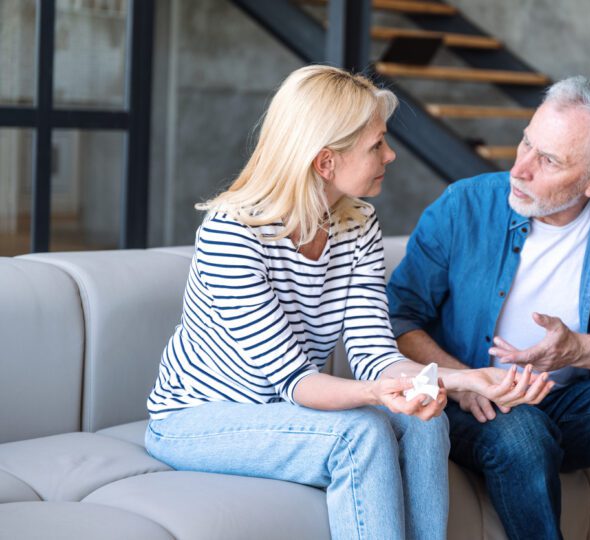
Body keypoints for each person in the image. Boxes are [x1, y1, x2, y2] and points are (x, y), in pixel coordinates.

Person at [145, 65, 553, 540]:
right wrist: (376, 395)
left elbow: (373, 355)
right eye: (376, 144)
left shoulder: (357, 225)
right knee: (361, 433)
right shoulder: (232, 234)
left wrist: (468, 380)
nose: (391, 154)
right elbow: (296, 382)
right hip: (197, 417)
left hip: (288, 410)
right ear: (325, 162)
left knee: (424, 420)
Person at [387, 76, 590, 540]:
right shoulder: (464, 205)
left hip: (573, 406)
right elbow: (398, 317)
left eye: (549, 160)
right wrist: (465, 383)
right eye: (525, 143)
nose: (520, 169)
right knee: (520, 432)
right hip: (473, 405)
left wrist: (576, 349)